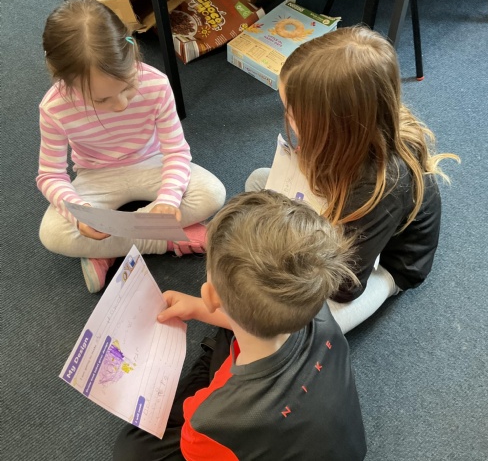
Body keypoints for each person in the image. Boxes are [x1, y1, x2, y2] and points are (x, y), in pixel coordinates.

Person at [113, 190, 367, 460]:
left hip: (229, 423)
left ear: (210, 295)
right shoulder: (315, 306)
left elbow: (200, 437)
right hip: (347, 448)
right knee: (246, 310)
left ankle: (212, 367)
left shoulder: (206, 422)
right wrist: (199, 308)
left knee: (132, 450)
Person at [246, 25, 460, 334]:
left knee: (298, 328)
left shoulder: (381, 189)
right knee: (258, 182)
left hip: (387, 267)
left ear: (335, 125)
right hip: (346, 211)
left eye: (293, 114)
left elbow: (345, 287)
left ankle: (383, 286)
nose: (287, 119)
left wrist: (293, 254)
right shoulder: (364, 128)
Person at [38, 0, 226, 293]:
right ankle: (168, 239)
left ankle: (108, 248)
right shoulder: (54, 107)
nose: (120, 104)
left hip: (152, 162)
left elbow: (176, 151)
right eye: (101, 100)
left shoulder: (156, 84)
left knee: (212, 194)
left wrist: (168, 199)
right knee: (51, 233)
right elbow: (50, 175)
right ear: (66, 82)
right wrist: (80, 213)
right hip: (96, 175)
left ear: (132, 51)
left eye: (127, 86)